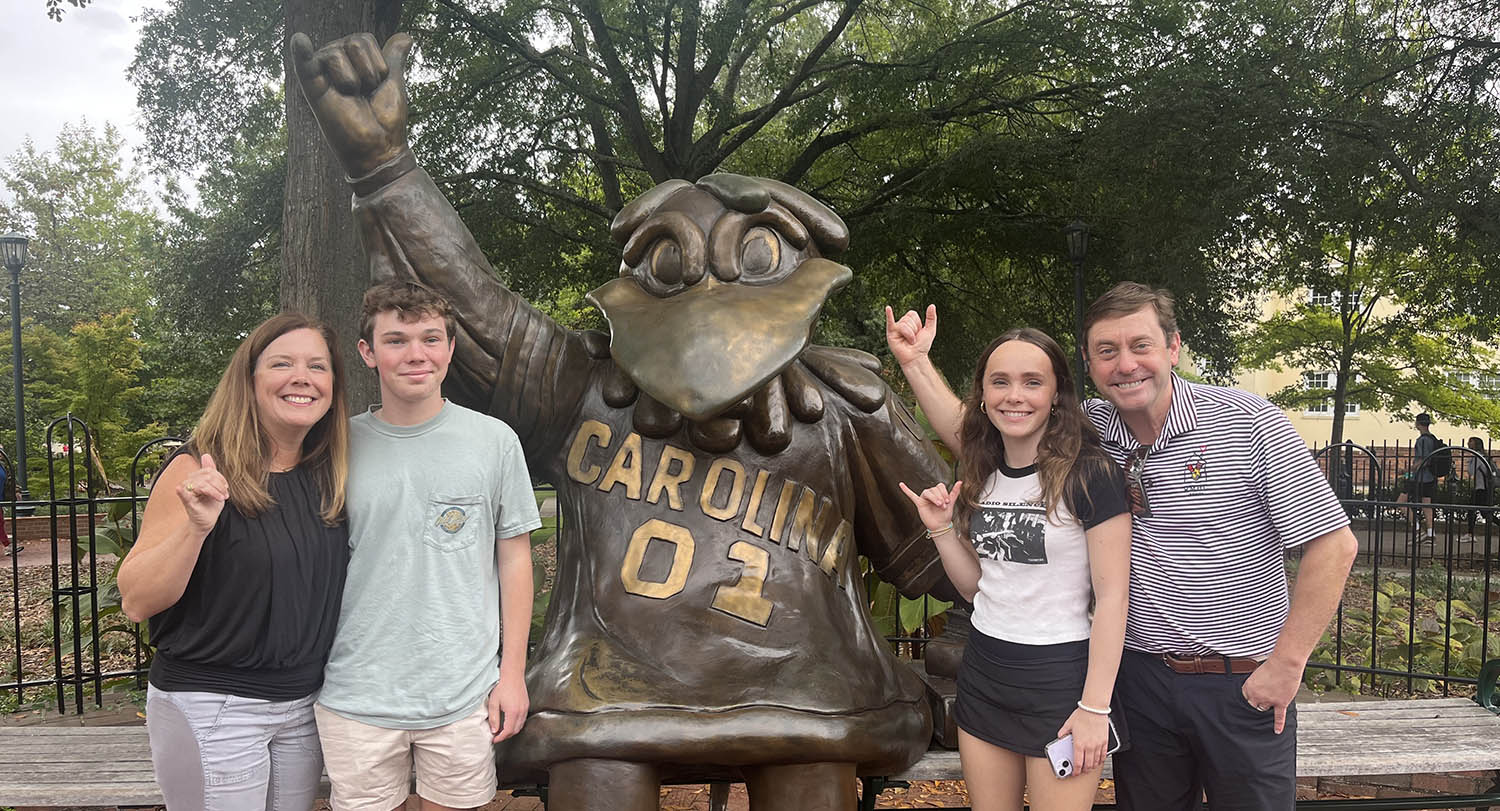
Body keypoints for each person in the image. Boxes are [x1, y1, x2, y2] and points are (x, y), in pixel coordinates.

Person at [1080, 281, 1357, 810]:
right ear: (1090, 364)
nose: (1126, 364)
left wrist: (1287, 665)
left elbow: (1334, 546)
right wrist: (917, 363)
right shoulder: (1089, 429)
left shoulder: (1250, 422)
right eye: (1107, 351)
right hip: (1140, 684)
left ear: (1173, 347)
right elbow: (994, 426)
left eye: (1141, 345)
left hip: (1242, 685)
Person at [886, 311, 1132, 811]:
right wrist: (940, 529)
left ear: (1056, 394)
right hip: (985, 674)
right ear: (982, 394)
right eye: (1000, 382)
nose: (1014, 395)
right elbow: (976, 588)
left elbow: (1113, 599)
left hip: (1060, 682)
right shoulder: (984, 468)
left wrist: (1094, 707)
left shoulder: (1089, 474)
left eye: (1032, 382)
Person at [313, 282, 541, 811]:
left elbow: (515, 560)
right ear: (368, 352)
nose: (416, 354)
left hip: (463, 694)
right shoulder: (335, 446)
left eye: (430, 338)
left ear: (450, 348)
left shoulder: (495, 441)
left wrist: (512, 675)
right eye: (396, 340)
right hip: (356, 694)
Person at [118, 313, 351, 811]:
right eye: (281, 364)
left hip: (303, 706)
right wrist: (195, 527)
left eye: (317, 366)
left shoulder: (327, 475)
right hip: (213, 704)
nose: (302, 377)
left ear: (333, 387)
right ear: (248, 381)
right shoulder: (197, 468)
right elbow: (137, 599)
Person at [1396, 413, 1442, 542]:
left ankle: (1418, 529)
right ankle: (1430, 534)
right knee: (1427, 505)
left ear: (1417, 424)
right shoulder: (1432, 439)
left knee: (1401, 502)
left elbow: (1423, 460)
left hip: (1419, 477)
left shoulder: (1422, 440)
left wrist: (1406, 470)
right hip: (1430, 477)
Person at [1465, 436, 1493, 538]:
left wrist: (1469, 462)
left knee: (1476, 511)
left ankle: (1470, 534)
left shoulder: (1478, 457)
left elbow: (1470, 471)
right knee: (1481, 512)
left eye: (1470, 441)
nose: (1468, 443)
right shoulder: (1481, 456)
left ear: (1476, 444)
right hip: (1482, 487)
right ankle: (1470, 533)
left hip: (1481, 488)